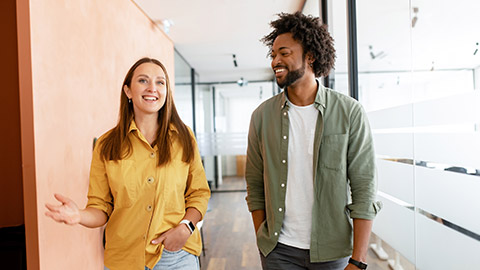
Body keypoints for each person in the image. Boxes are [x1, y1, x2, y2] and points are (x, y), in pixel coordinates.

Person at [45, 57, 210, 270]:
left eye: (160, 82)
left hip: (175, 256)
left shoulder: (184, 137)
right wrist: (79, 216)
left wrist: (186, 227)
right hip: (124, 260)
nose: (153, 88)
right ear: (128, 91)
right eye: (143, 80)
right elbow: (101, 207)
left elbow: (199, 192)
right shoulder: (106, 144)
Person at [245, 12, 381, 270]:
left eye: (284, 53)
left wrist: (359, 260)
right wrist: (264, 242)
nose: (276, 61)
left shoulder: (349, 112)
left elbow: (364, 187)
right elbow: (254, 183)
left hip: (332, 251)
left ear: (310, 56)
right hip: (278, 251)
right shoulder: (262, 117)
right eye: (273, 55)